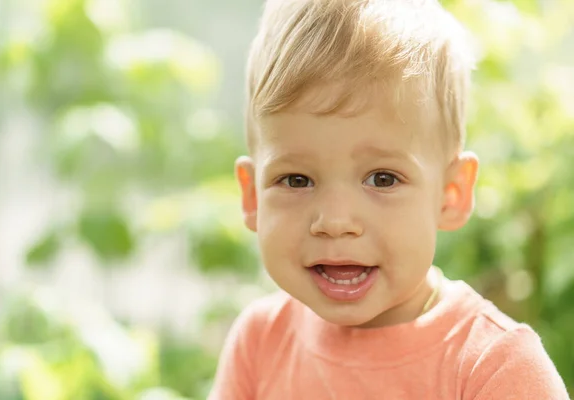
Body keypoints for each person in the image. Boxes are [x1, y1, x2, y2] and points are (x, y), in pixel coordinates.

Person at [208, 0, 570, 398]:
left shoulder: (494, 367)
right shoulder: (260, 343)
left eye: (382, 179)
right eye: (296, 179)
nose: (335, 220)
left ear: (451, 193)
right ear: (253, 196)